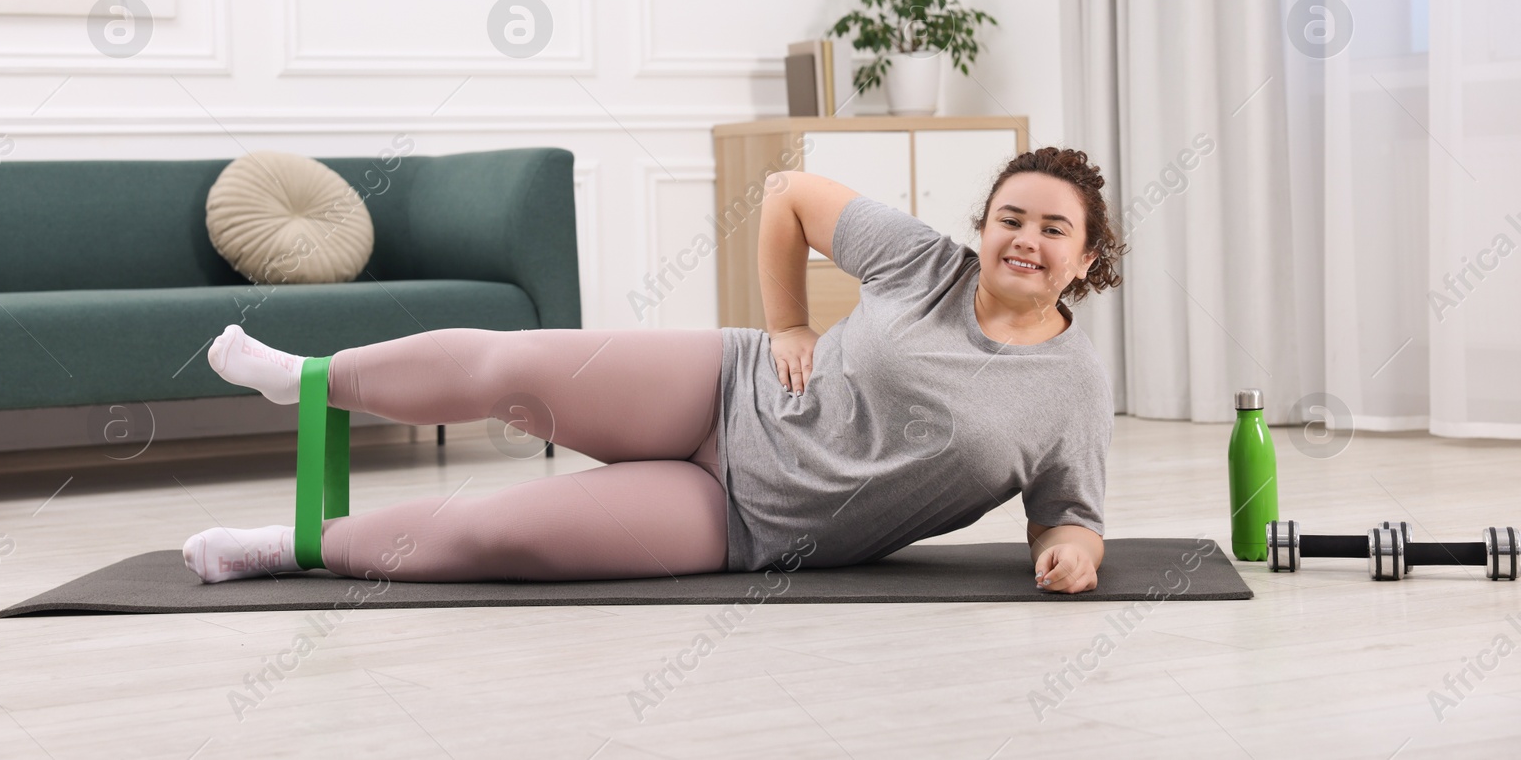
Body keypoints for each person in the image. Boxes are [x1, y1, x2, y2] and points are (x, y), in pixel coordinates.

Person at [182, 146, 1125, 594]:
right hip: (723, 383)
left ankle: (283, 544)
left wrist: (1069, 557)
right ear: (984, 224)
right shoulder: (927, 264)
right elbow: (788, 191)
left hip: (749, 521)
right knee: (506, 365)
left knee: (499, 536)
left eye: (1054, 229)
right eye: (1012, 216)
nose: (1026, 240)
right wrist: (790, 321)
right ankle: (305, 373)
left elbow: (1070, 511)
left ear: (1088, 258)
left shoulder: (1070, 384)